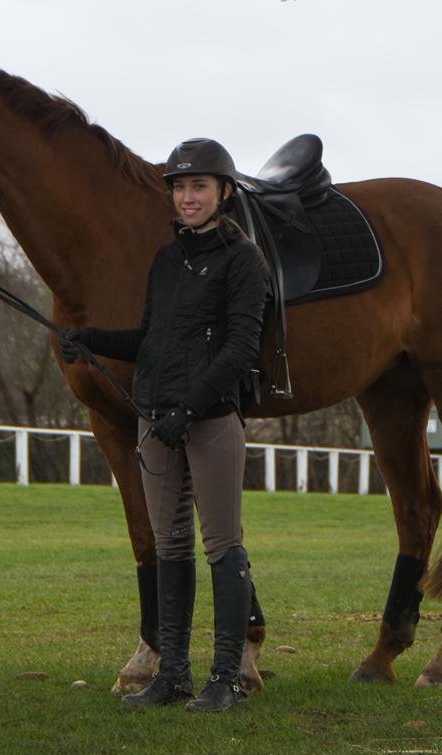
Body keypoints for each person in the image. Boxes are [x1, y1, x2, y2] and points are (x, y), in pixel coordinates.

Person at [60, 138, 271, 712]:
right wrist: (96, 340)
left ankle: (226, 678)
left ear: (224, 192)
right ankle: (172, 675)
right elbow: (151, 340)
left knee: (222, 545)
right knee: (170, 545)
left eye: (199, 186)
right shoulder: (166, 260)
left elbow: (239, 348)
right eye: (179, 187)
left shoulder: (243, 259)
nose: (187, 197)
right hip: (156, 419)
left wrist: (191, 406)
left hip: (208, 421)